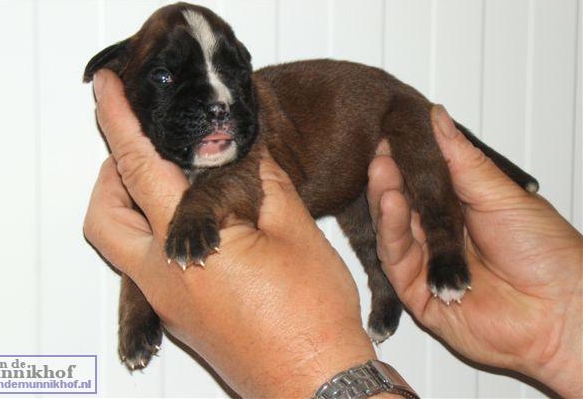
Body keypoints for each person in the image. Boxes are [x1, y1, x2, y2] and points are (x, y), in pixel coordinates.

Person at [84, 69, 582, 398]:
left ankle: (446, 259)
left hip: (387, 111)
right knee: (376, 230)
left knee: (428, 195)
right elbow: (159, 221)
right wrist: (558, 328)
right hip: (346, 166)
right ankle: (388, 300)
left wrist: (314, 365)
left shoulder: (244, 127)